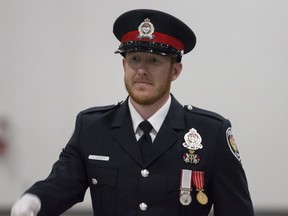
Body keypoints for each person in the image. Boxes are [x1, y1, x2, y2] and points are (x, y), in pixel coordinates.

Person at [11, 9, 254, 216]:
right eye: (135, 58)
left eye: (154, 61)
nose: (142, 70)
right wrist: (34, 200)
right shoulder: (93, 128)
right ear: (123, 64)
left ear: (175, 71)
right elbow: (61, 184)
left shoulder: (210, 133)